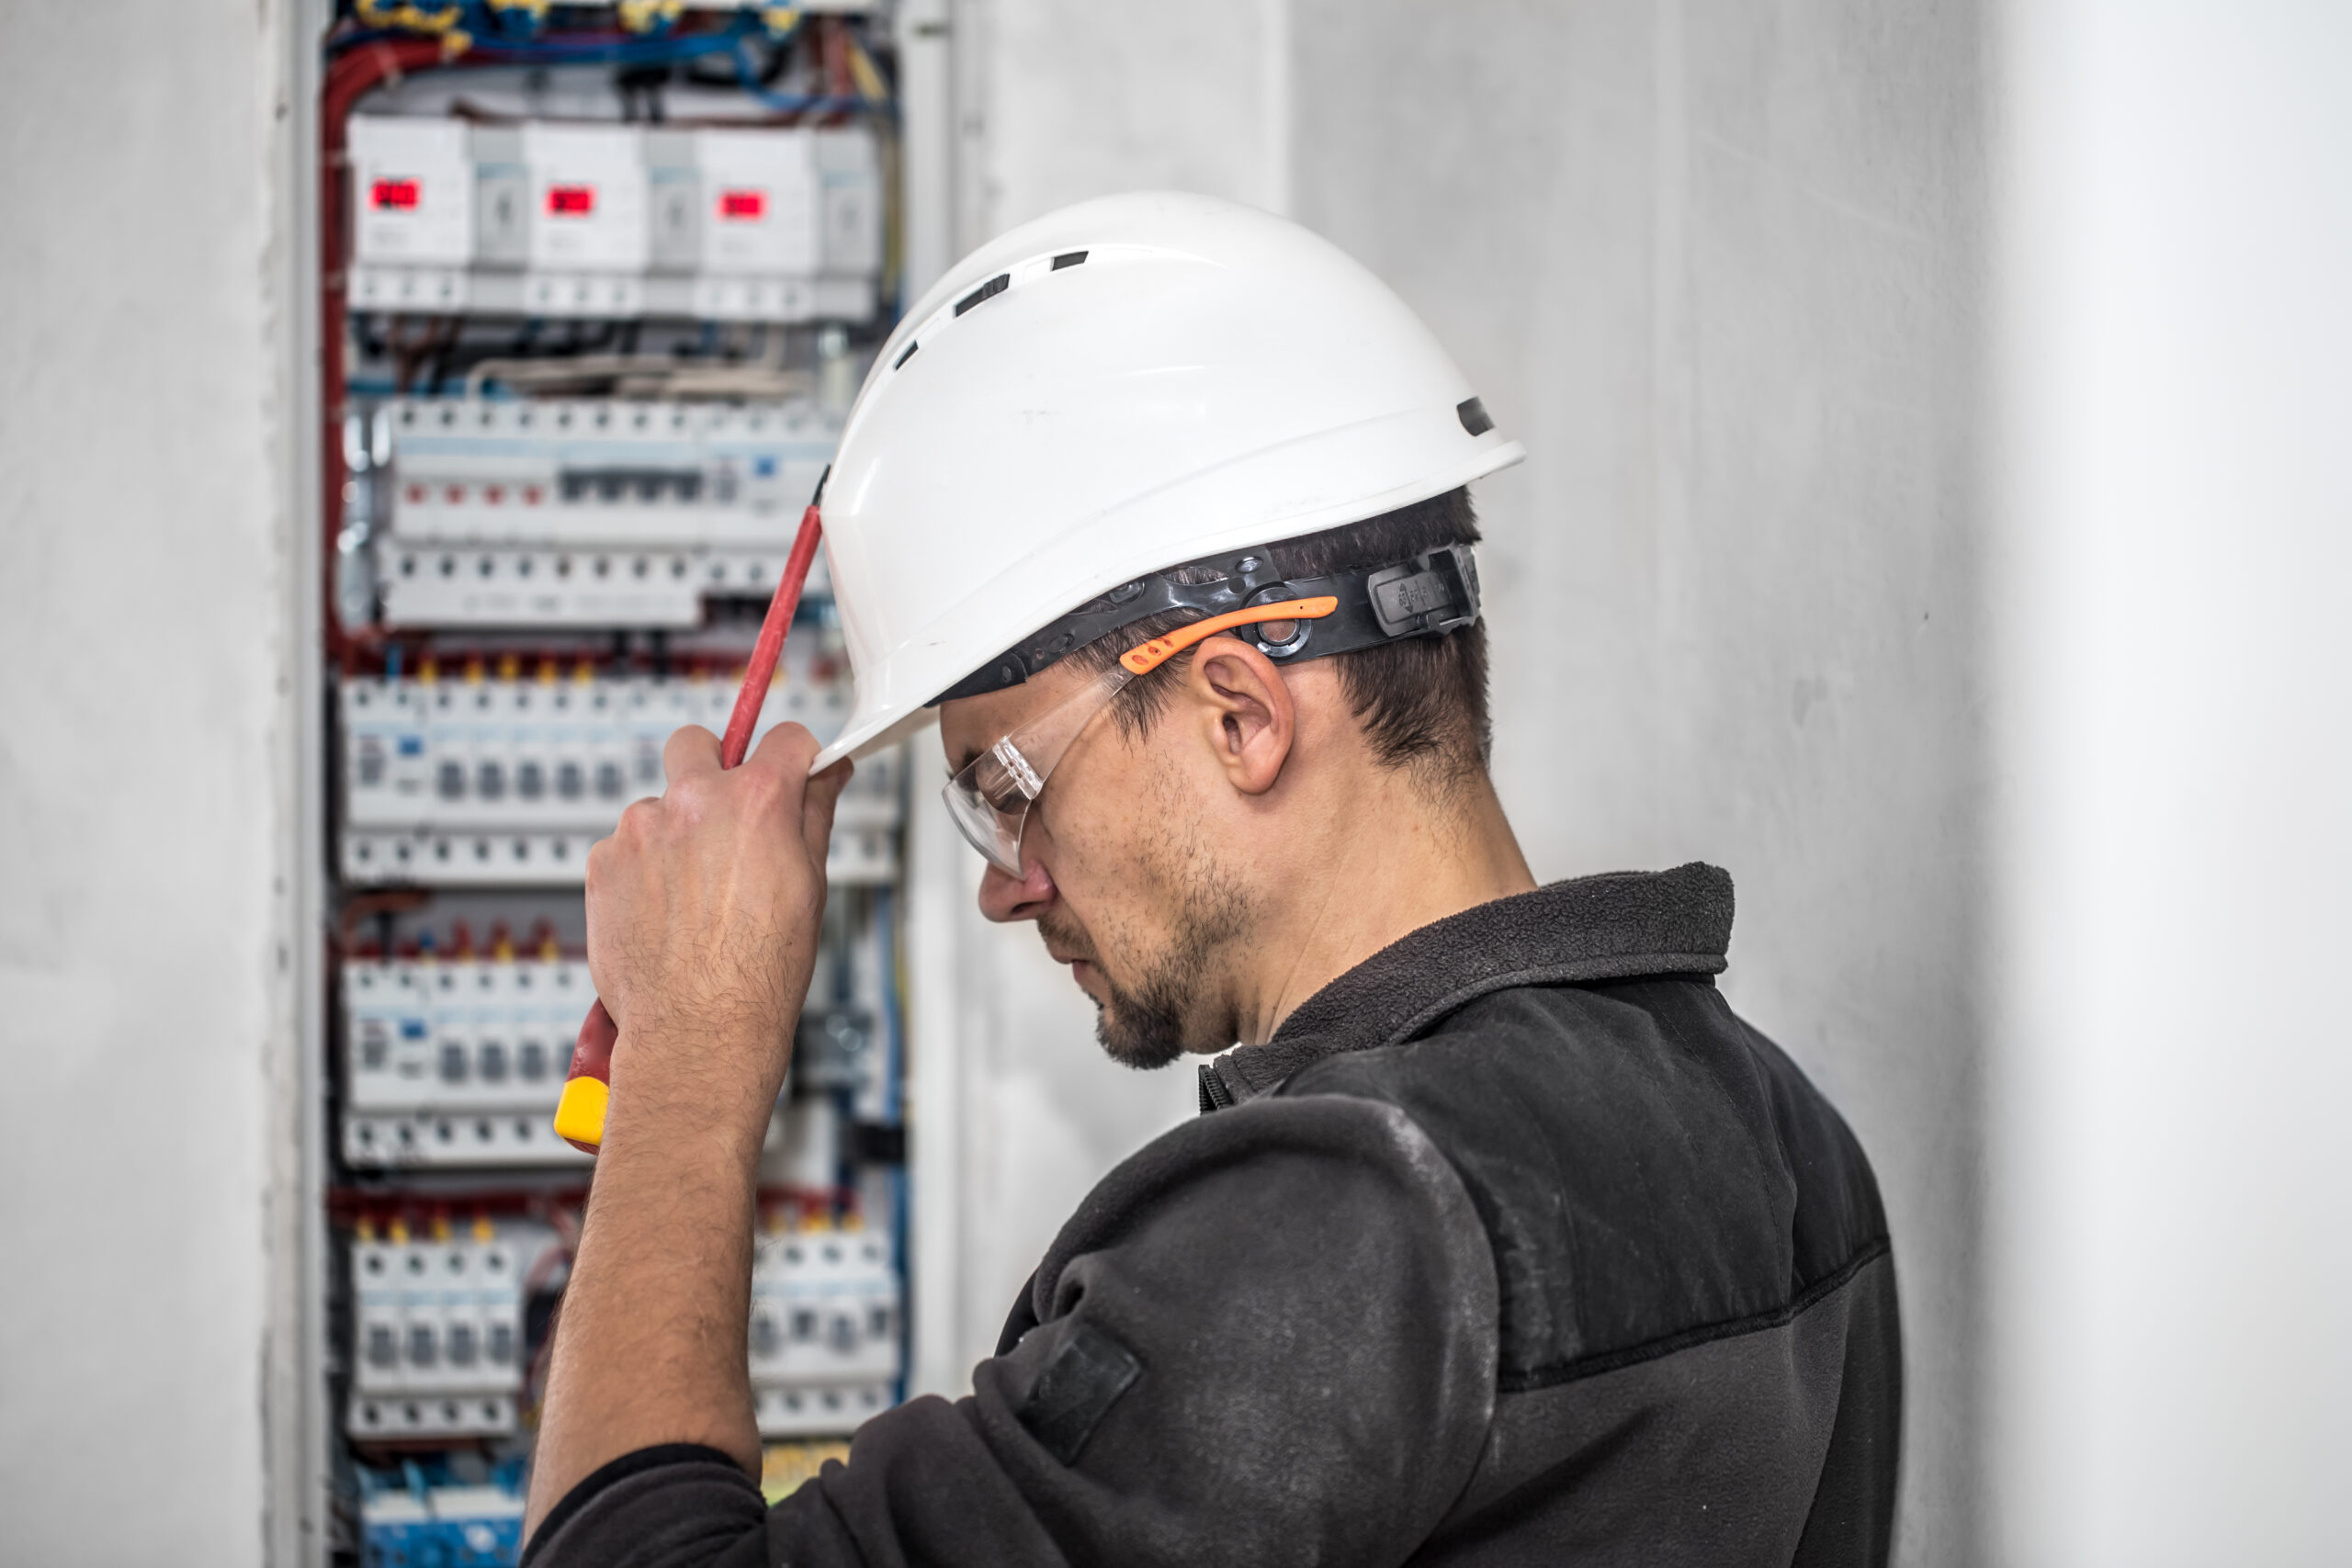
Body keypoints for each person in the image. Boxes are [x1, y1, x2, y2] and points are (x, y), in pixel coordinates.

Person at [520, 193, 1899, 1566]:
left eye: (1005, 791)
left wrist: (691, 1062)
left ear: (1239, 714)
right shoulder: (1780, 1134)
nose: (1007, 885)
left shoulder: (1346, 1228)